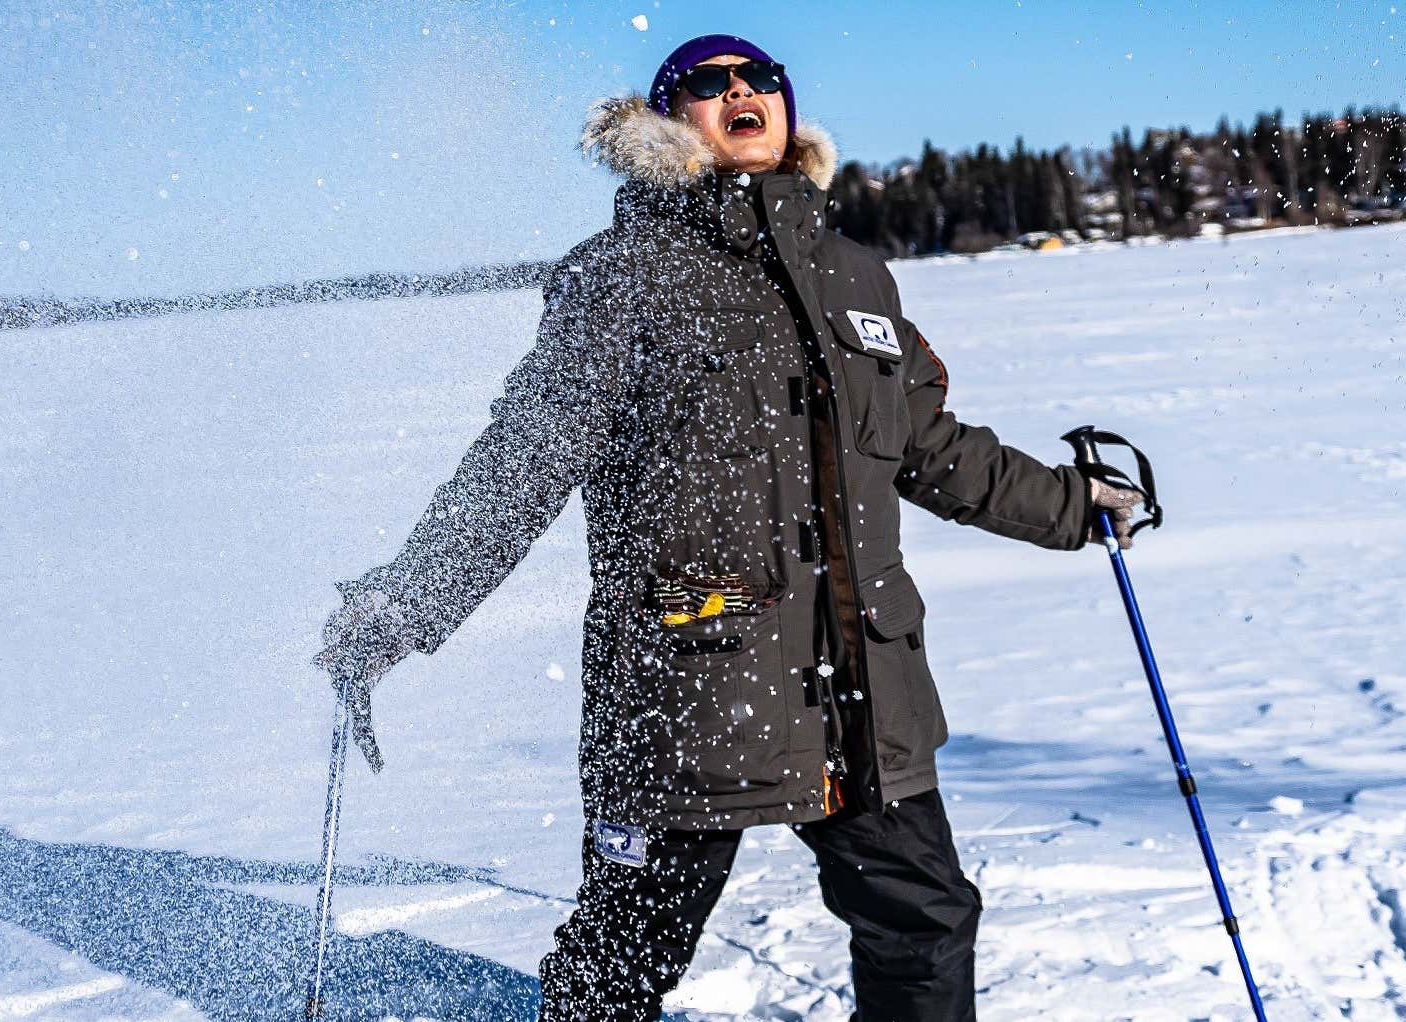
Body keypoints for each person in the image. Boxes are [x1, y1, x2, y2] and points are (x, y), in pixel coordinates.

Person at [315, 34, 1141, 1022]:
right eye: (710, 84)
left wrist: (1074, 505)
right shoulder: (623, 276)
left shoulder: (856, 276)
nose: (742, 91)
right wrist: (405, 603)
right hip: (686, 693)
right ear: (667, 124)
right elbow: (522, 461)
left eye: (761, 79)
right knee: (626, 954)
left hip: (861, 693)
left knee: (924, 921)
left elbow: (928, 444)